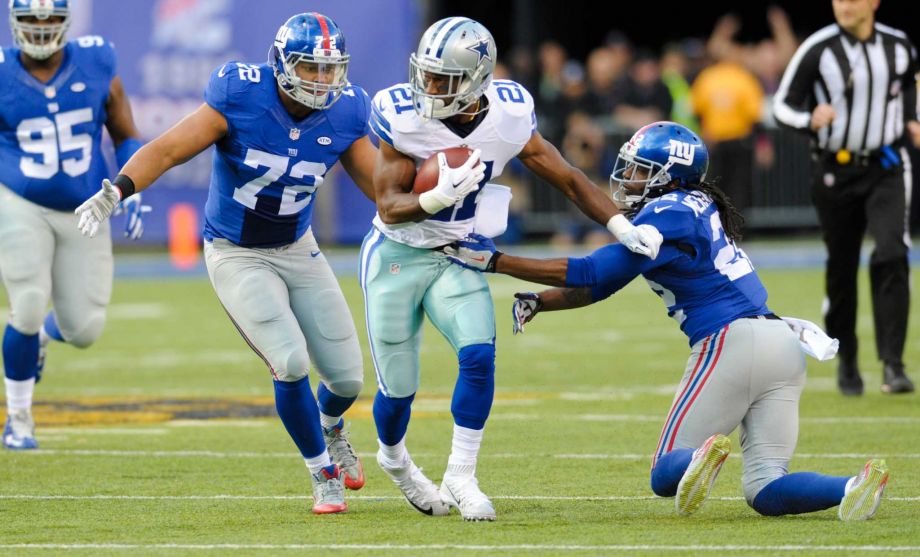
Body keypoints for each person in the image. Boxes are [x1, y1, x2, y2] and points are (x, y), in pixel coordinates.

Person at [446, 121, 891, 521]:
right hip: (782, 344)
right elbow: (604, 283)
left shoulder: (668, 211)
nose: (627, 179)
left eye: (639, 170)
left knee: (664, 474)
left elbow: (594, 271)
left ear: (669, 175)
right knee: (765, 487)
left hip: (730, 341)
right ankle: (853, 486)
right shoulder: (694, 205)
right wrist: (544, 301)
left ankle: (701, 454)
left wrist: (498, 262)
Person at [74, 13, 377, 515]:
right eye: (309, 68)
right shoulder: (241, 95)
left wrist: (428, 202)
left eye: (330, 69)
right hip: (236, 250)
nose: (322, 81)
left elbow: (378, 190)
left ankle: (329, 423)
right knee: (291, 360)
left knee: (346, 381)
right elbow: (169, 149)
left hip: (298, 247)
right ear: (280, 65)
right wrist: (118, 191)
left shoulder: (348, 111)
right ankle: (321, 471)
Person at [364, 16, 663, 522]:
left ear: (479, 80)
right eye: (427, 75)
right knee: (399, 389)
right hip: (397, 253)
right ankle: (394, 459)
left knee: (479, 354)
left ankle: (461, 473)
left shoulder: (507, 115)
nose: (429, 88)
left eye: (444, 80)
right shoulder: (403, 115)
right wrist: (435, 196)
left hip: (459, 252)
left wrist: (619, 223)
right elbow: (390, 205)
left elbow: (566, 176)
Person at [1, 0, 148, 450]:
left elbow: (124, 132)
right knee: (26, 302)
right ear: (14, 23)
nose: (42, 30)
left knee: (84, 329)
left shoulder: (97, 59)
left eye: (50, 20)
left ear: (67, 23)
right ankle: (19, 418)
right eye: (32, 20)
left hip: (87, 205)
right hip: (19, 199)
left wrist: (133, 186)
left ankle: (45, 336)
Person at [773, 0, 919, 395]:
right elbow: (782, 106)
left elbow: (907, 83)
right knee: (841, 267)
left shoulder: (899, 45)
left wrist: (911, 119)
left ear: (873, 3)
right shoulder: (819, 48)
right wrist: (809, 120)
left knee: (892, 252)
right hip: (835, 170)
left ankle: (893, 365)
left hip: (887, 165)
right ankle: (848, 360)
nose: (844, 5)